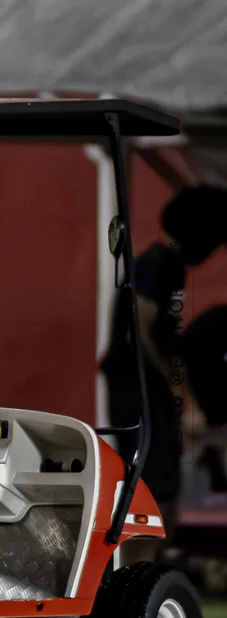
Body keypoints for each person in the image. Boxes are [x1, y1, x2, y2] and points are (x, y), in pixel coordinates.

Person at [101, 185, 226, 555]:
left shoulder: (162, 263)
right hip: (140, 393)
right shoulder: (161, 261)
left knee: (162, 486)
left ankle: (150, 571)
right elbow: (140, 327)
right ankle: (137, 577)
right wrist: (180, 393)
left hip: (145, 391)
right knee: (151, 487)